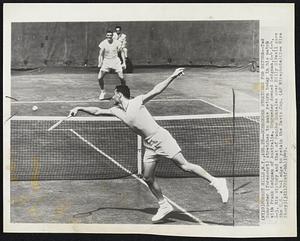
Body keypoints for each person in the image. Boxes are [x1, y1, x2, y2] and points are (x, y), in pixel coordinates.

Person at [70, 68, 229, 223]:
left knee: (185, 166)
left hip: (161, 139)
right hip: (150, 145)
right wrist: (79, 108)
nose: (112, 96)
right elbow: (97, 111)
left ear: (120, 94)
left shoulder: (137, 101)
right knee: (147, 177)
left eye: (114, 94)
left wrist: (173, 76)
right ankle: (164, 205)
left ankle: (216, 181)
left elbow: (156, 90)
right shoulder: (115, 110)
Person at [98, 30, 126, 100]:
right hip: (106, 61)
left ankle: (124, 91)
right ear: (106, 36)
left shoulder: (117, 42)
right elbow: (100, 54)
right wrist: (100, 62)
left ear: (112, 36)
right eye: (108, 35)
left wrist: (124, 62)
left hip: (115, 61)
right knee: (99, 78)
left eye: (110, 35)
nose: (109, 37)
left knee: (121, 78)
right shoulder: (103, 43)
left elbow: (122, 52)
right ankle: (102, 92)